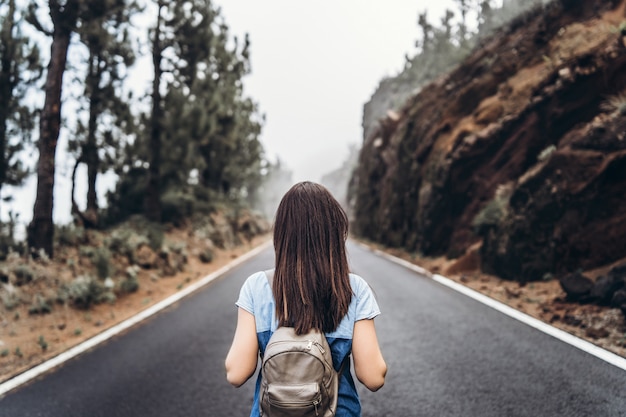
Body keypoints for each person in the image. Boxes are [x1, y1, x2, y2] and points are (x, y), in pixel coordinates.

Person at [225, 181, 387, 417]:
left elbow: (236, 373)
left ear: (281, 234)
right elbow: (373, 377)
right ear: (334, 233)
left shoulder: (256, 287)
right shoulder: (355, 289)